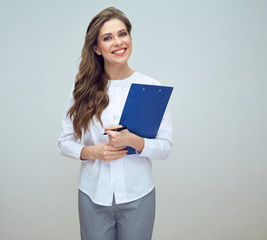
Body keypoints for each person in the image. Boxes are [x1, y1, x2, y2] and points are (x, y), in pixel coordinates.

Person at [58, 7, 173, 240]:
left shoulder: (151, 88)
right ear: (96, 48)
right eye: (107, 38)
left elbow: (165, 148)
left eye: (123, 34)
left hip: (138, 195)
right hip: (92, 196)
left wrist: (134, 141)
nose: (118, 42)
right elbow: (64, 142)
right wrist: (93, 151)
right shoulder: (82, 90)